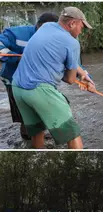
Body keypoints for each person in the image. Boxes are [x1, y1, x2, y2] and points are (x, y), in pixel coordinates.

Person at [12, 7, 96, 149]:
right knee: (72, 133)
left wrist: (83, 74)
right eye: (82, 26)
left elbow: (53, 53)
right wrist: (79, 78)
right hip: (39, 90)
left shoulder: (46, 26)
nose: (82, 31)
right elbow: (69, 79)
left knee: (37, 131)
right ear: (72, 24)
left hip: (17, 88)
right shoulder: (73, 43)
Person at [0, 12, 59, 140]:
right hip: (14, 79)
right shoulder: (16, 33)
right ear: (37, 26)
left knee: (43, 109)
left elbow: (71, 62)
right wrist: (16, 58)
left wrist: (83, 75)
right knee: (24, 115)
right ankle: (27, 137)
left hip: (40, 80)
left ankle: (37, 135)